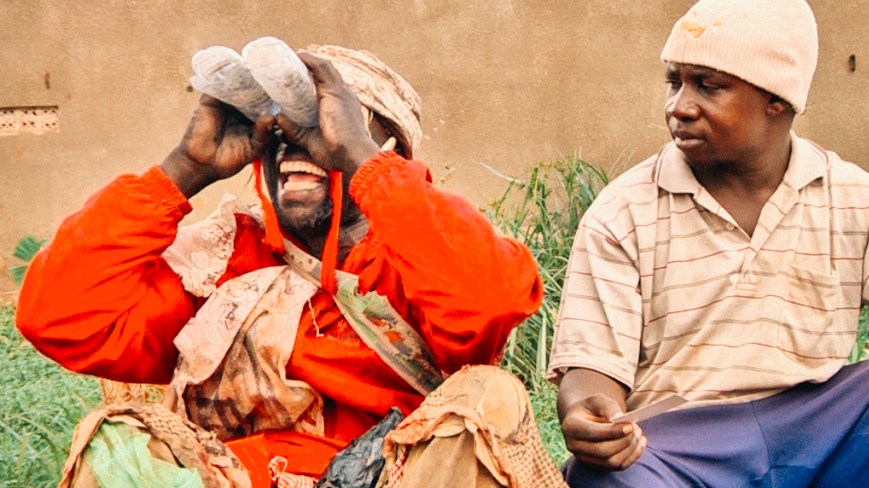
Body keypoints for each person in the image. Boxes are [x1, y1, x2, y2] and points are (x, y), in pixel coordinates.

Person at [16, 43, 564, 487]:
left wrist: (363, 164)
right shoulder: (223, 262)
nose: (296, 146)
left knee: (487, 397)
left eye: (324, 131)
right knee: (121, 438)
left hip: (397, 475)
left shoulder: (421, 246)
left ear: (384, 149)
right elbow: (59, 318)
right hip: (241, 477)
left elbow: (490, 301)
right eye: (278, 133)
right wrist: (184, 169)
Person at [547, 0, 869, 486]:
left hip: (830, 436)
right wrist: (588, 411)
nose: (679, 106)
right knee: (605, 477)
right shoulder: (624, 210)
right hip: (681, 451)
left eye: (708, 85)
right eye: (675, 81)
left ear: (777, 99)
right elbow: (590, 371)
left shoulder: (859, 199)